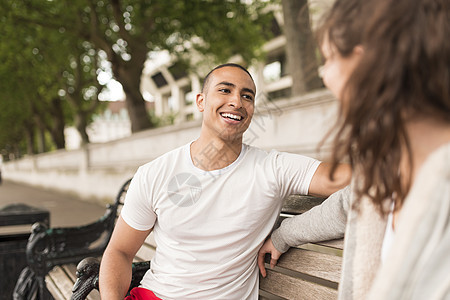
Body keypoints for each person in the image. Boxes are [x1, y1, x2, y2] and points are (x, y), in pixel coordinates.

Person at [99, 63, 351, 299]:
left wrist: (286, 234)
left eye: (247, 96)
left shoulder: (274, 169)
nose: (236, 102)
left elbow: (361, 181)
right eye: (225, 90)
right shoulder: (155, 173)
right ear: (201, 101)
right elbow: (120, 251)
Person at [258, 0, 450, 299]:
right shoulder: (387, 167)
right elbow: (346, 205)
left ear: (366, 67)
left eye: (330, 59)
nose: (325, 75)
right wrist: (282, 236)